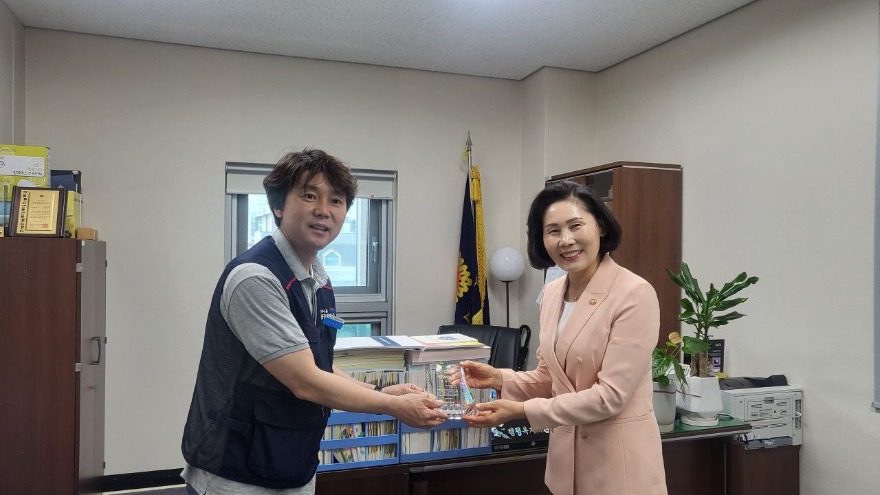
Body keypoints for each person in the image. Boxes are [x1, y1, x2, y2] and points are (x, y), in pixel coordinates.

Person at [181, 149, 447, 495]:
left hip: (290, 461)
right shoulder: (256, 278)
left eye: (336, 200)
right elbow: (305, 381)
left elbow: (318, 366)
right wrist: (393, 406)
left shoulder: (317, 278)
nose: (324, 210)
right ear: (278, 206)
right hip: (235, 471)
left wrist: (380, 393)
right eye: (309, 196)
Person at [454, 180, 667, 495]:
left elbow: (610, 397)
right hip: (565, 467)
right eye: (553, 231)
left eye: (575, 226)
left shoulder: (634, 294)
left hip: (619, 470)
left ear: (600, 227)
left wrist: (522, 411)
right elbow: (550, 377)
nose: (566, 240)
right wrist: (498, 378)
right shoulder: (553, 293)